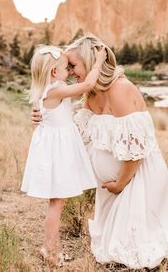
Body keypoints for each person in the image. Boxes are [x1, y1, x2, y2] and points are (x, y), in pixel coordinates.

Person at [32, 34, 168, 269]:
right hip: (112, 190)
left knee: (130, 253)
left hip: (134, 182)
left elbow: (136, 151)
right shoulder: (91, 93)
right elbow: (75, 132)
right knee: (109, 250)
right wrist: (42, 116)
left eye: (74, 65)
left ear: (90, 60)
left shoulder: (121, 89)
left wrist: (120, 184)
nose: (72, 72)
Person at [21, 44, 106, 266]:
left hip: (55, 148)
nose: (69, 71)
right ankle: (49, 250)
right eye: (65, 67)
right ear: (54, 72)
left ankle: (53, 247)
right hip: (56, 151)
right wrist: (99, 60)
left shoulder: (47, 90)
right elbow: (87, 84)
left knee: (58, 201)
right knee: (57, 203)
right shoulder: (56, 89)